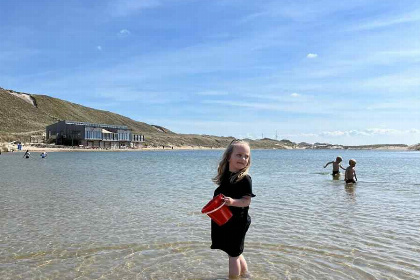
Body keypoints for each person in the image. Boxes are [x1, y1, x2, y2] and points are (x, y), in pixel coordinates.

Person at [210, 139, 256, 279]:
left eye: (246, 156)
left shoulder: (245, 179)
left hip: (238, 222)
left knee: (233, 256)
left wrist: (232, 202)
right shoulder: (226, 176)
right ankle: (245, 275)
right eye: (239, 155)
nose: (243, 158)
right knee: (235, 253)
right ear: (229, 157)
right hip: (226, 219)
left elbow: (246, 201)